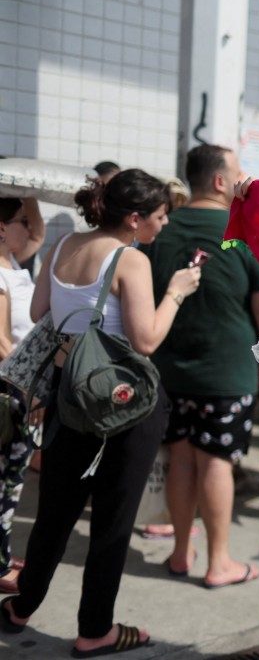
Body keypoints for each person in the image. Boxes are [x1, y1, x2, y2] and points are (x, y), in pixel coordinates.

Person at [1, 169, 201, 655]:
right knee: (112, 521)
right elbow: (146, 339)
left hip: (68, 394)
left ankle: (21, 606)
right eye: (159, 217)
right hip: (122, 404)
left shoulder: (64, 244)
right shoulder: (130, 260)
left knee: (55, 511)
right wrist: (177, 290)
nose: (163, 226)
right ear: (134, 218)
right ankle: (96, 630)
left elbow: (41, 311)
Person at [144, 144, 259, 588]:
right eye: (239, 172)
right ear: (221, 181)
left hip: (168, 370)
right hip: (226, 374)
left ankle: (181, 552)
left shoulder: (160, 228)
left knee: (181, 459)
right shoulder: (242, 231)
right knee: (217, 462)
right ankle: (218, 562)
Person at [0, 196, 45, 595]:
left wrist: (28, 192)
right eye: (19, 221)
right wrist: (32, 384)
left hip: (19, 386)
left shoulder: (12, 262)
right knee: (7, 481)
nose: (28, 229)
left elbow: (39, 232)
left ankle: (1, 552)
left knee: (12, 482)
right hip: (13, 390)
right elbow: (0, 342)